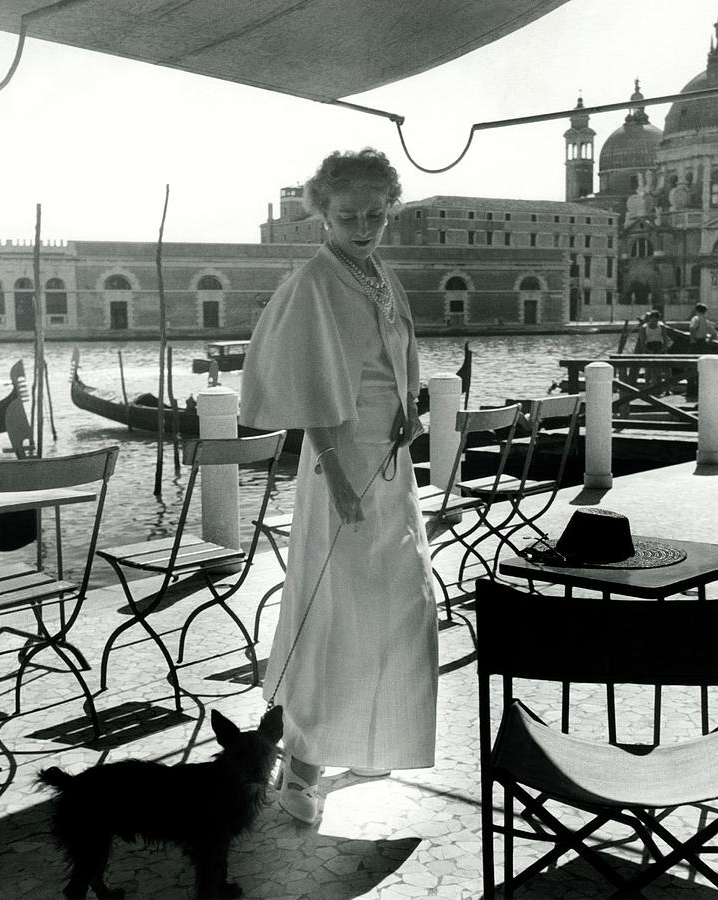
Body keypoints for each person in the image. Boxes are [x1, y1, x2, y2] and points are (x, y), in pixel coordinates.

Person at [239, 148, 438, 825]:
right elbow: (302, 381)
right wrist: (334, 472)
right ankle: (299, 768)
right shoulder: (313, 281)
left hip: (389, 460)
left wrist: (409, 404)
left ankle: (371, 736)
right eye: (347, 216)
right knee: (334, 613)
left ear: (390, 212)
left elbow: (397, 351)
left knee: (400, 603)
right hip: (341, 464)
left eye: (375, 217)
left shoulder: (379, 271)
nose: (362, 227)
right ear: (320, 213)